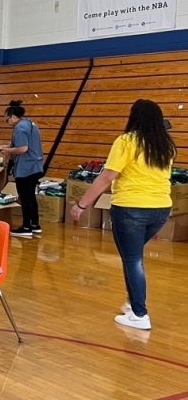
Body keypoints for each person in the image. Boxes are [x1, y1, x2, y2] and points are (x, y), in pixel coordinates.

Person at [71, 99, 175, 331]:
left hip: (131, 209)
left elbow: (107, 176)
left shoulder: (126, 141)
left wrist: (82, 204)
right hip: (161, 210)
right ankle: (132, 303)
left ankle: (139, 314)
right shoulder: (166, 145)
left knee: (133, 260)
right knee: (133, 257)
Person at [0, 100, 45, 237]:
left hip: (25, 168)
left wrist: (7, 151)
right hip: (36, 166)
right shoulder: (31, 124)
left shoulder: (19, 128)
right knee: (31, 196)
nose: (7, 123)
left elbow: (22, 148)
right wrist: (9, 148)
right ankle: (35, 225)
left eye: (7, 120)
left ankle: (26, 227)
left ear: (13, 117)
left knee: (25, 198)